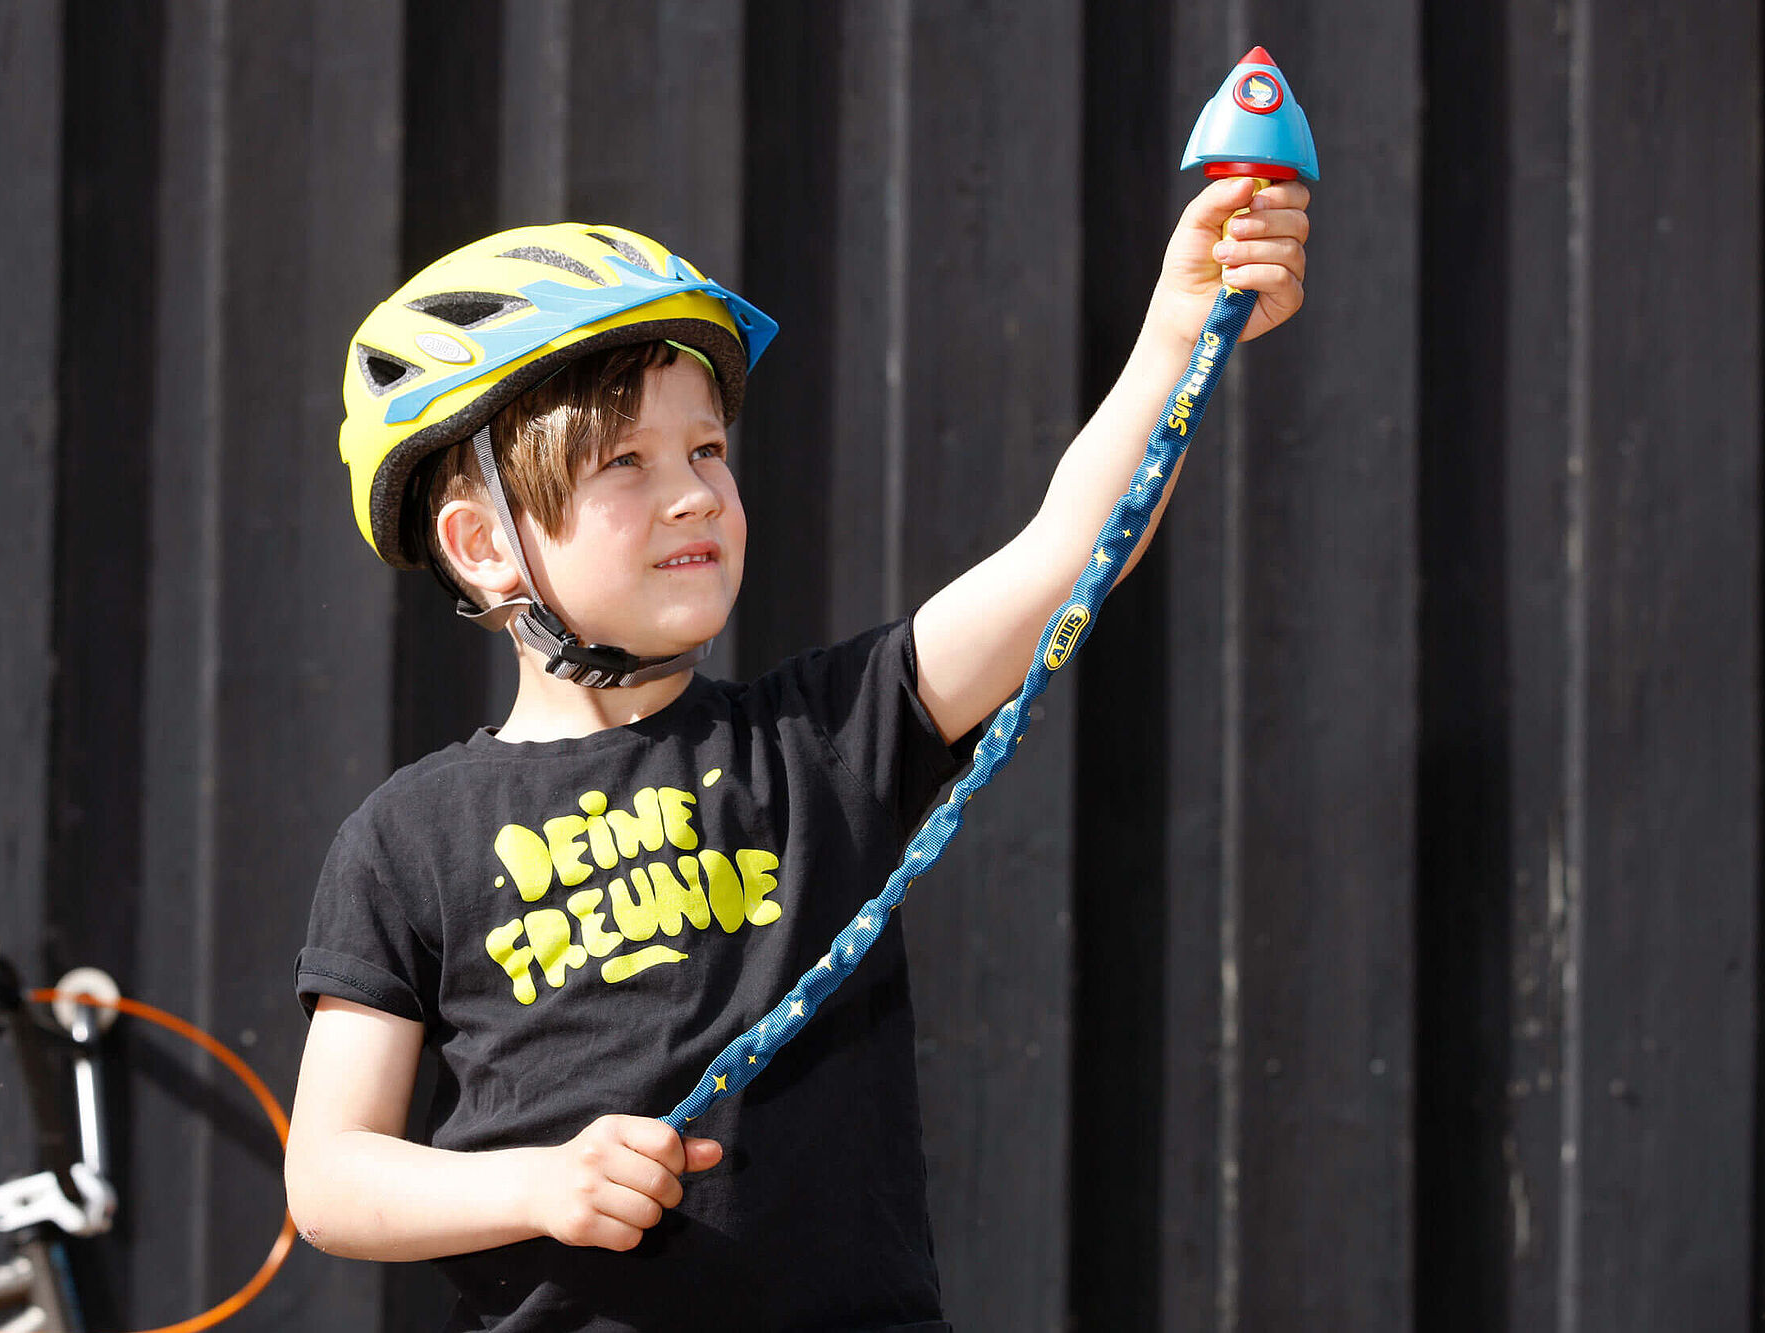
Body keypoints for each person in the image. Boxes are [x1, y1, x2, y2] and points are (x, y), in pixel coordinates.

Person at [286, 184, 1310, 1330]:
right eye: (625, 462)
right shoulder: (403, 838)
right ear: (483, 546)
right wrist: (537, 1181)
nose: (692, 495)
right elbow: (330, 1180)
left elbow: (1070, 552)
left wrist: (1180, 323)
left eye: (708, 447)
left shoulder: (823, 736)